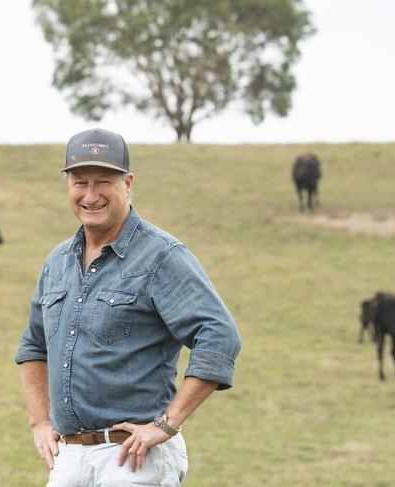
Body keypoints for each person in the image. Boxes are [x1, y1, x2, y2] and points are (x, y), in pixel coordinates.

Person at [15, 128, 241, 486]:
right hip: (69, 456)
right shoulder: (57, 261)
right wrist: (39, 421)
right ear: (68, 186)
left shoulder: (162, 256)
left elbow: (219, 336)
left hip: (133, 457)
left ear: (128, 183)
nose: (90, 195)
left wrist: (166, 424)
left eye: (103, 181)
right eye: (79, 182)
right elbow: (33, 346)